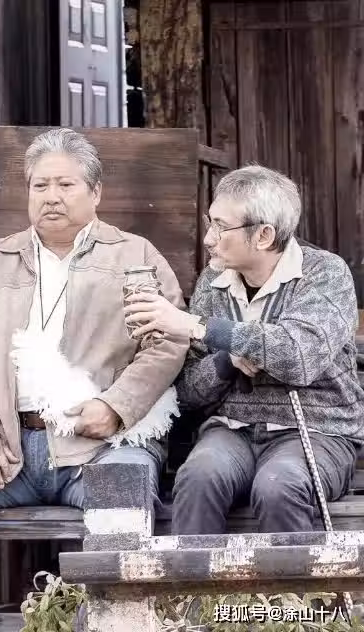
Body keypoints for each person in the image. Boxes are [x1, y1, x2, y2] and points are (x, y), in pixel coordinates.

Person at [0, 128, 190, 632]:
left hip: (100, 446)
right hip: (7, 445)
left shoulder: (135, 256)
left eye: (65, 184)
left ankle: (109, 626)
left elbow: (168, 340)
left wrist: (117, 406)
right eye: (40, 186)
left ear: (95, 192)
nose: (51, 197)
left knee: (123, 487)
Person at [124, 165, 364, 534]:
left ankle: (289, 577)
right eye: (210, 222)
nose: (208, 238)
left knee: (279, 486)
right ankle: (194, 576)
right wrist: (227, 359)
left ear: (264, 235)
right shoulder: (213, 282)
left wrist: (201, 327)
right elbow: (187, 391)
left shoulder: (324, 274)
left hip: (316, 431)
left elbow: (299, 357)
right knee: (197, 478)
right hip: (231, 430)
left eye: (221, 227)